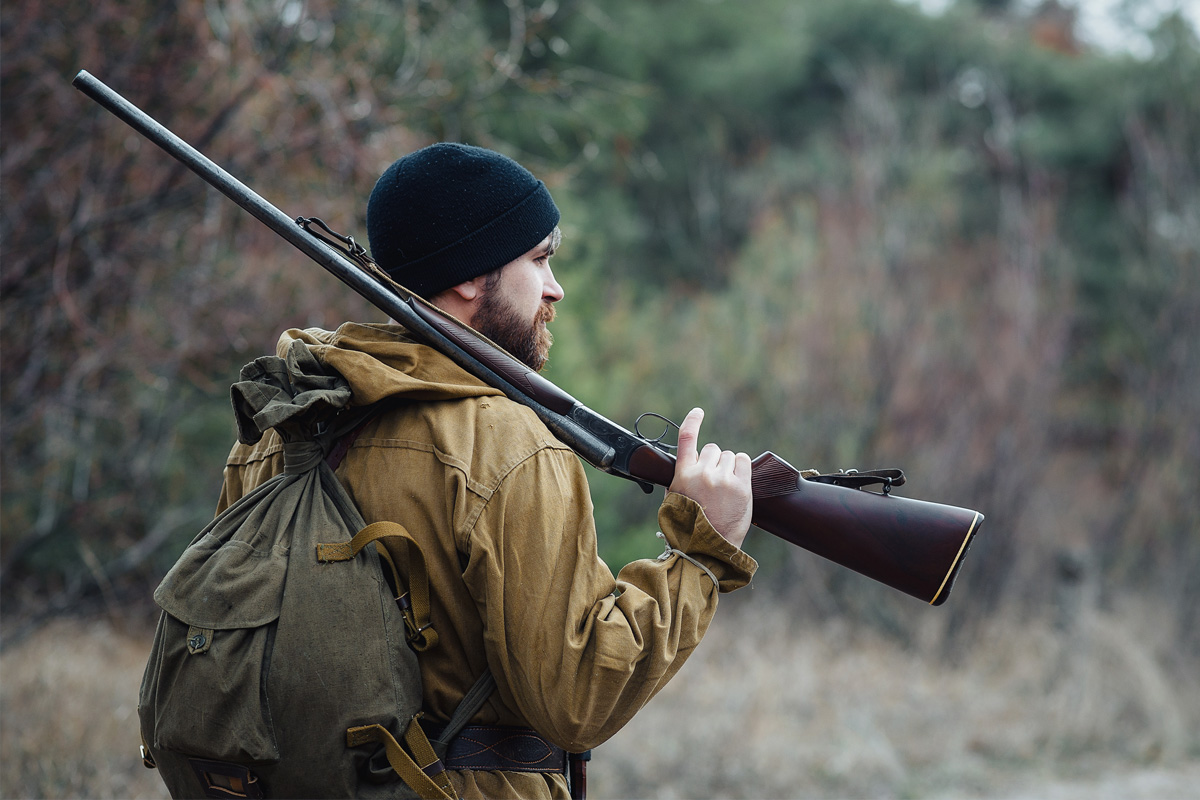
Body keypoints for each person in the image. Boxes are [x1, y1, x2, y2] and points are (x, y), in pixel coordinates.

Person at [216, 142, 757, 799]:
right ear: (471, 276)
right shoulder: (509, 445)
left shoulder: (280, 425)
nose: (555, 288)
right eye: (538, 260)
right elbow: (578, 697)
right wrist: (701, 555)